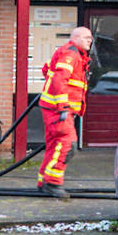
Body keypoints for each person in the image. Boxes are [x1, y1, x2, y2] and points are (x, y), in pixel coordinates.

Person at [37, 26, 93, 199]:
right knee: (67, 145)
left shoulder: (70, 53)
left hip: (54, 108)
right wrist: (63, 107)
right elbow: (59, 79)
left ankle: (43, 182)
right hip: (58, 110)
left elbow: (47, 70)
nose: (90, 40)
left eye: (91, 37)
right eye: (86, 37)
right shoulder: (71, 55)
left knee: (55, 146)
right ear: (75, 38)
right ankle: (53, 183)